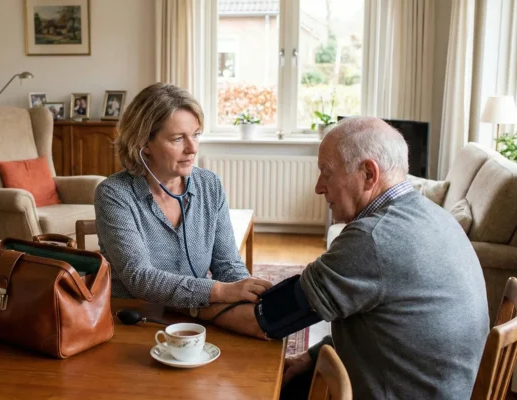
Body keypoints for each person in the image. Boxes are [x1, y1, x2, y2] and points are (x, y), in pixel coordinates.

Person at [277, 116, 489, 399]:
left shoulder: (372, 237)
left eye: (326, 171)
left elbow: (272, 316)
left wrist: (203, 299)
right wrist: (312, 355)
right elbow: (389, 326)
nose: (318, 186)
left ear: (368, 174)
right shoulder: (436, 215)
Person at [94, 83, 272, 309]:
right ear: (143, 143)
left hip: (194, 312)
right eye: (178, 138)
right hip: (136, 316)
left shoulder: (210, 185)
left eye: (196, 135)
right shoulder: (114, 194)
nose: (192, 148)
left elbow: (227, 264)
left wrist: (247, 292)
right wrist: (220, 291)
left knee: (264, 321)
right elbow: (139, 278)